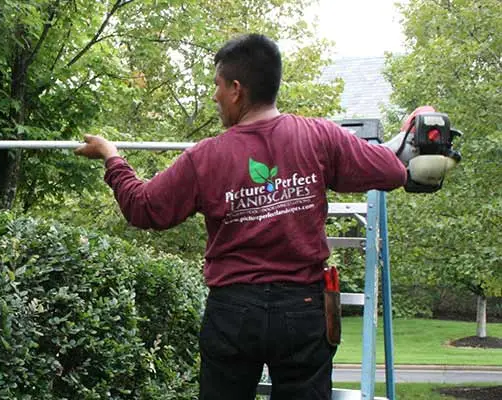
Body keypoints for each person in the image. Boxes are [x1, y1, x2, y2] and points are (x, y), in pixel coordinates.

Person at [74, 33, 412, 399]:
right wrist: (410, 136)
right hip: (302, 311)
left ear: (236, 89)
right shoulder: (320, 137)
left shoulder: (205, 158)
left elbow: (143, 207)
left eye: (217, 86)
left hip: (234, 314)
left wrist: (112, 157)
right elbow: (393, 172)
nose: (214, 96)